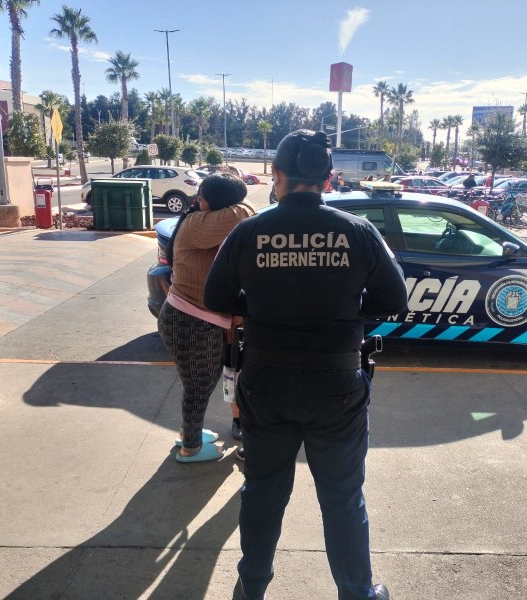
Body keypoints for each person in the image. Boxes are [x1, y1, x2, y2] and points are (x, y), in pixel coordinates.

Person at [204, 130, 407, 600]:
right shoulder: (357, 231)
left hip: (266, 382)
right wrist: (347, 314)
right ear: (328, 179)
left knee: (263, 491)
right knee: (342, 496)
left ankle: (251, 589)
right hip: (336, 384)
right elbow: (394, 299)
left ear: (276, 176)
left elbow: (216, 297)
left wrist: (261, 308)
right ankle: (356, 592)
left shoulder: (250, 232)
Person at [158, 173, 255, 463]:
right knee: (199, 386)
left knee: (199, 384)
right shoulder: (197, 224)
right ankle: (190, 448)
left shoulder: (207, 223)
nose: (197, 201)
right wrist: (242, 203)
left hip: (193, 318)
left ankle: (190, 434)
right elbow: (243, 213)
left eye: (202, 197)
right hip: (189, 319)